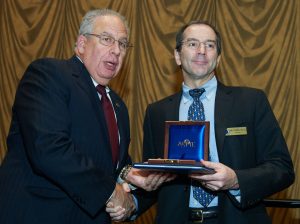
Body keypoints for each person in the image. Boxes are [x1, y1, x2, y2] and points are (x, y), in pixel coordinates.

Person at [0, 9, 171, 224]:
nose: (117, 50)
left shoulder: (118, 105)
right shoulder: (49, 74)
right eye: (107, 39)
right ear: (82, 44)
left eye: (123, 44)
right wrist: (111, 191)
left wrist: (129, 175)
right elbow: (49, 147)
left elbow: (110, 165)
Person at [140, 20, 295, 224]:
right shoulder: (157, 112)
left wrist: (235, 180)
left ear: (218, 58)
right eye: (193, 44)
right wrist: (130, 203)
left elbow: (282, 169)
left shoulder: (250, 102)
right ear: (177, 56)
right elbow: (154, 179)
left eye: (210, 45)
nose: (202, 51)